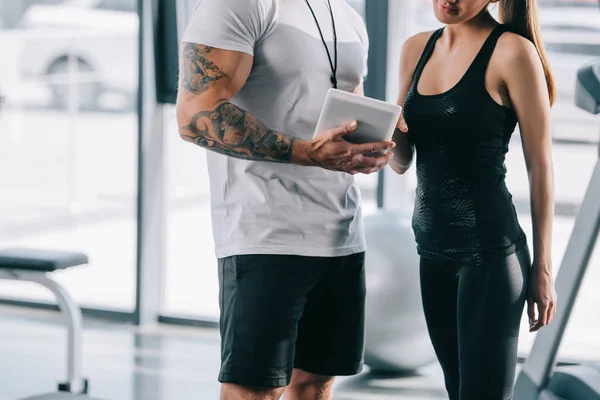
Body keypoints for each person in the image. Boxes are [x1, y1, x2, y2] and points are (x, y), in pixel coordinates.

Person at [176, 1, 395, 399]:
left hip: (340, 230)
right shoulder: (242, 5)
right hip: (264, 230)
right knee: (253, 390)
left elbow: (345, 113)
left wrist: (367, 148)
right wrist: (307, 152)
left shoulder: (347, 17)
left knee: (315, 383)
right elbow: (195, 113)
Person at [390, 0, 557, 398]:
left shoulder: (512, 51)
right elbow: (401, 161)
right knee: (456, 390)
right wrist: (377, 130)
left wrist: (544, 269)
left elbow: (541, 164)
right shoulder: (416, 48)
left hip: (489, 256)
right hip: (430, 250)